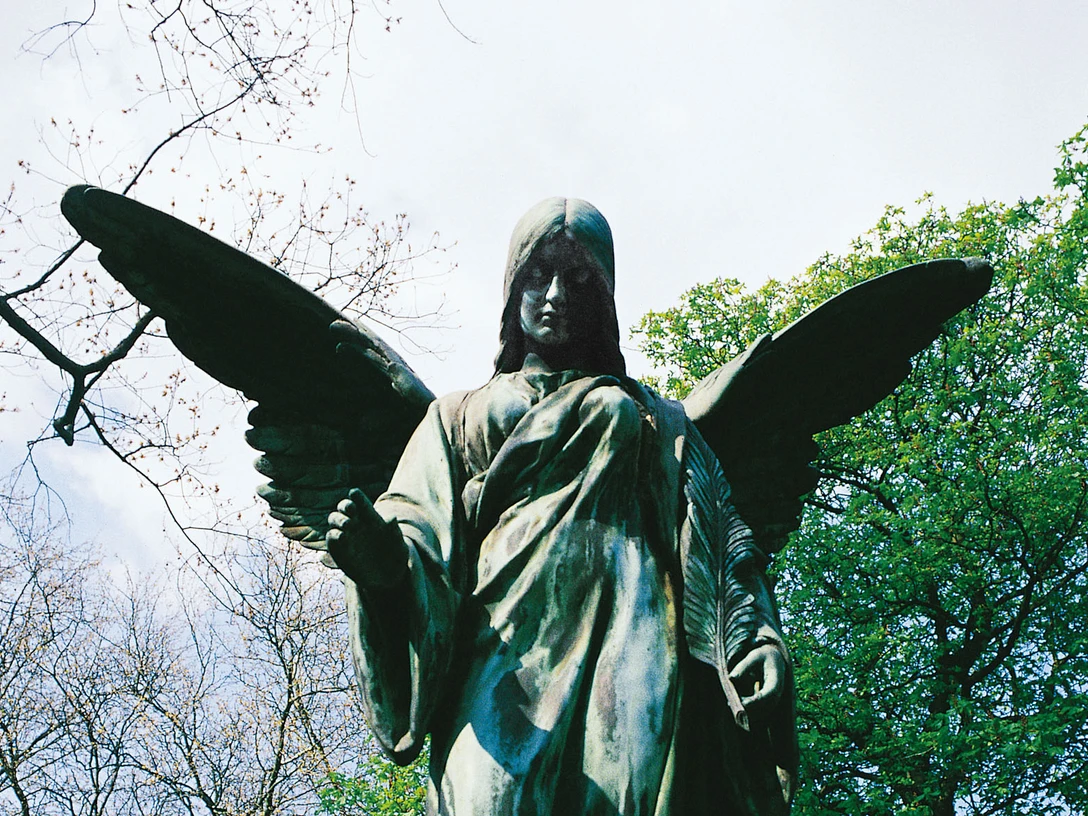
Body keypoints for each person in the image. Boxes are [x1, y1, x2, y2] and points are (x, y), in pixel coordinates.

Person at [326, 197, 796, 815]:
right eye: (538, 275)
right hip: (501, 650)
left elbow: (717, 536)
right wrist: (385, 563)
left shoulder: (658, 419)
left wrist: (753, 637)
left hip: (631, 638)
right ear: (513, 287)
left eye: (578, 279)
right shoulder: (456, 416)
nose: (555, 295)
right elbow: (417, 518)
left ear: (603, 297)